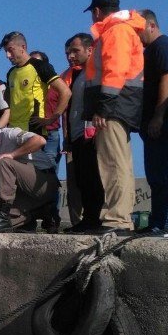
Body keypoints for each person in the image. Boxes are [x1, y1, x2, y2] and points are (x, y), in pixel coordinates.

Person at [82, 0, 147, 232]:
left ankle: (117, 219)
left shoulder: (116, 31)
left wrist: (103, 109)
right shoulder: (122, 29)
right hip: (121, 105)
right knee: (117, 161)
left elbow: (114, 72)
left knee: (112, 163)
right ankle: (119, 217)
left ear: (97, 11)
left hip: (114, 106)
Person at [0, 33, 71, 231]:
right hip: (16, 133)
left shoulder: (39, 66)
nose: (7, 55)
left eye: (10, 50)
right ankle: (25, 219)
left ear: (22, 47)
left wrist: (52, 118)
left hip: (35, 133)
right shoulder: (12, 72)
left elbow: (65, 91)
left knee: (43, 176)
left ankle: (51, 216)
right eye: (5, 51)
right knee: (17, 177)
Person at [138, 9, 168, 234]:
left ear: (151, 25)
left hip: (163, 117)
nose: (136, 35)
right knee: (154, 172)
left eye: (138, 29)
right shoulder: (150, 50)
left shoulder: (164, 46)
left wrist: (159, 115)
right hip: (151, 119)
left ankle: (164, 222)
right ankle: (157, 220)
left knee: (160, 171)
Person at [60, 33, 104, 232]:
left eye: (75, 51)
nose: (71, 56)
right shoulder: (78, 75)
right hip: (77, 135)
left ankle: (94, 219)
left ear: (89, 50)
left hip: (90, 135)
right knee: (82, 179)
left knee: (93, 178)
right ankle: (88, 219)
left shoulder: (97, 72)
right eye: (69, 52)